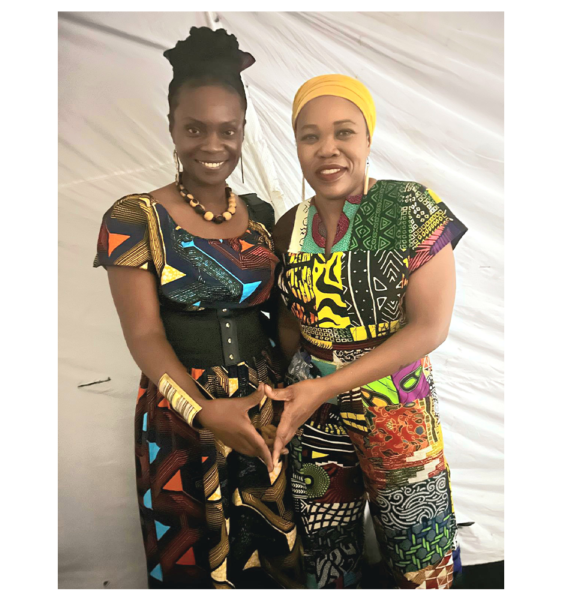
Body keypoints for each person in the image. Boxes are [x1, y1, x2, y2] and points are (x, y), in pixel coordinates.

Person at [93, 27, 303, 590]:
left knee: (270, 549)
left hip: (262, 408)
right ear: (171, 126)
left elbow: (282, 317)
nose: (213, 144)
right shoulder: (134, 218)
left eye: (227, 130)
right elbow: (143, 335)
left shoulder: (261, 216)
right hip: (181, 413)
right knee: (197, 556)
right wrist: (204, 411)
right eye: (194, 128)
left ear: (242, 129)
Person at [267, 74, 468, 590]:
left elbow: (430, 327)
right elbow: (289, 320)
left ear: (368, 138)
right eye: (310, 136)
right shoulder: (288, 225)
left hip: (397, 411)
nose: (327, 149)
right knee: (326, 551)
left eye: (344, 132)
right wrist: (293, 389)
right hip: (315, 417)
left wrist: (326, 386)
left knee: (419, 554)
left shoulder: (408, 207)